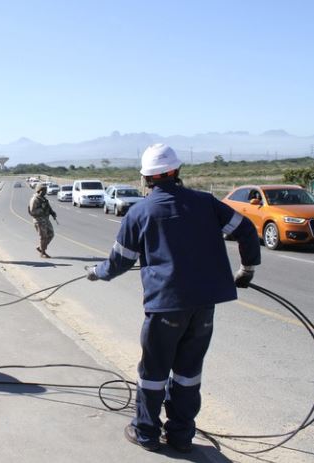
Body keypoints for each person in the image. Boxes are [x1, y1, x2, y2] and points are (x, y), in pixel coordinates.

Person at [84, 144, 260, 452]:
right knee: (188, 373)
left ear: (146, 179)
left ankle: (146, 433)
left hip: (165, 307)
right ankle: (180, 436)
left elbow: (119, 262)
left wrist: (96, 272)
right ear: (177, 172)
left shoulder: (139, 212)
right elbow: (245, 229)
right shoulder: (206, 203)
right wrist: (246, 270)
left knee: (153, 374)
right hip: (203, 306)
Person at [28, 183, 57, 258]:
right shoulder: (35, 199)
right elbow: (32, 211)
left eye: (46, 190)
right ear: (39, 191)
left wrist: (52, 213)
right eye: (44, 190)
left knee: (51, 234)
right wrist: (42, 209)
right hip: (39, 220)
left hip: (46, 219)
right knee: (43, 237)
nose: (45, 192)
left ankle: (40, 247)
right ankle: (43, 252)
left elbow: (48, 207)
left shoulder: (44, 199)